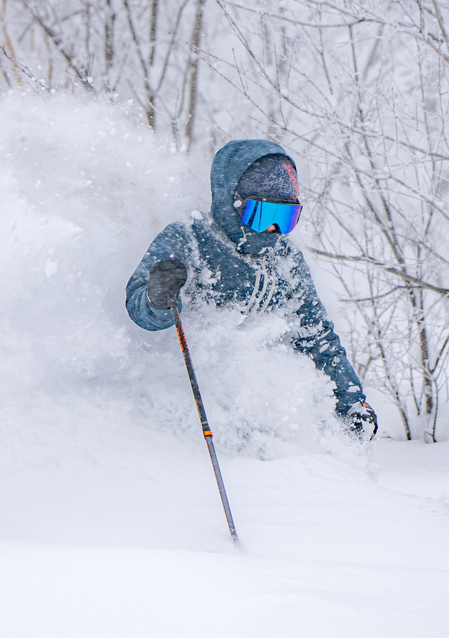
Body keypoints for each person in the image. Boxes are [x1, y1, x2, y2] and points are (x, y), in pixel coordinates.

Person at [125, 138, 377, 439]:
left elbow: (316, 334)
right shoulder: (189, 240)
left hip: (268, 409)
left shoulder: (285, 259)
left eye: (285, 218)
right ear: (231, 203)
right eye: (263, 215)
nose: (273, 230)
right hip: (190, 402)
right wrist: (158, 296)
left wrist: (349, 399)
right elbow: (139, 308)